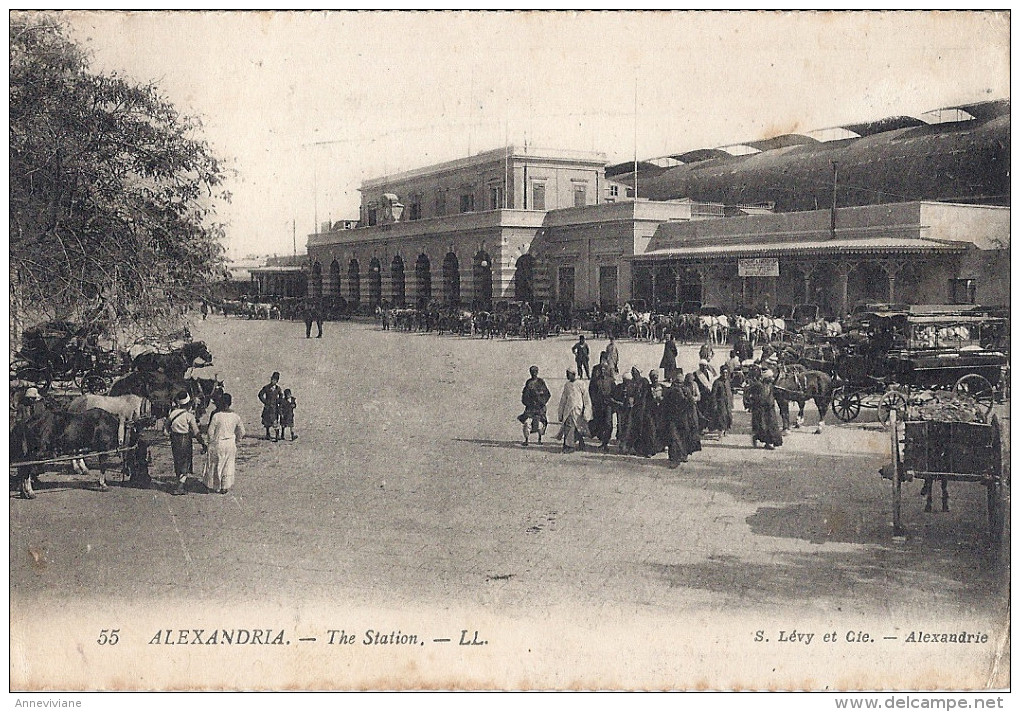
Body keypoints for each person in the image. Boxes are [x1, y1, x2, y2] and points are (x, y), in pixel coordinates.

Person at [164, 391, 206, 496]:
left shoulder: (172, 414)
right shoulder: (189, 416)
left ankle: (180, 482)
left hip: (174, 439)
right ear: (188, 403)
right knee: (185, 462)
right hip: (185, 439)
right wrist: (203, 443)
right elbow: (196, 432)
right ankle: (180, 487)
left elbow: (165, 430)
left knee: (177, 460)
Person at [203, 393, 246, 495]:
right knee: (228, 465)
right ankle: (224, 487)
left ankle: (213, 485)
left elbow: (210, 432)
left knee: (214, 464)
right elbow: (242, 432)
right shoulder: (236, 416)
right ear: (230, 403)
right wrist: (237, 440)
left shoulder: (216, 416)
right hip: (230, 443)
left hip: (218, 443)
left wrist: (210, 442)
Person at [744, 368, 784, 450]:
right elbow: (747, 391)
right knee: (763, 427)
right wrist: (750, 403)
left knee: (772, 426)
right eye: (770, 377)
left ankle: (770, 442)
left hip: (770, 409)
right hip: (761, 410)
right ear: (766, 378)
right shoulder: (758, 385)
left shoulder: (771, 386)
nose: (772, 379)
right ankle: (766, 442)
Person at [663, 379, 698, 467]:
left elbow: (691, 404)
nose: (678, 386)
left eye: (680, 383)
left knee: (683, 437)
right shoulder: (669, 392)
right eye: (676, 383)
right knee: (674, 438)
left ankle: (682, 455)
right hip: (672, 419)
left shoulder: (686, 391)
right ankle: (675, 459)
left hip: (683, 418)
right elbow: (664, 405)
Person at [557, 367, 591, 452]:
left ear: (573, 374)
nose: (567, 375)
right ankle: (569, 446)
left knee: (578, 427)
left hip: (578, 410)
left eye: (568, 374)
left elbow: (586, 398)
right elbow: (563, 399)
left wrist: (587, 412)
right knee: (569, 427)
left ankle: (578, 444)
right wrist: (560, 413)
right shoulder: (567, 385)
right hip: (568, 410)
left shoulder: (581, 384)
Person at [518, 365, 551, 446]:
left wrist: (542, 402)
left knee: (540, 423)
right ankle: (526, 439)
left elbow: (547, 394)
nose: (534, 374)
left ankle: (539, 439)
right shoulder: (528, 383)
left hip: (540, 407)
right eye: (532, 372)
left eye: (535, 372)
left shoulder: (541, 382)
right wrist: (527, 403)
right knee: (527, 423)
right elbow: (524, 395)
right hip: (530, 408)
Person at [588, 353, 616, 450]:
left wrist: (613, 402)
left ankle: (605, 442)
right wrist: (593, 402)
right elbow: (591, 389)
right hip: (598, 403)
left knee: (608, 423)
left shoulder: (611, 379)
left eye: (605, 369)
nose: (603, 370)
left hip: (608, 404)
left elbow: (614, 390)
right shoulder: (596, 379)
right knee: (600, 422)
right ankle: (601, 439)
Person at [258, 372, 284, 441]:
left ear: (277, 381)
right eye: (272, 379)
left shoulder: (278, 389)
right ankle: (267, 434)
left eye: (275, 380)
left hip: (274, 408)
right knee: (267, 421)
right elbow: (260, 394)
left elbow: (281, 396)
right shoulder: (266, 387)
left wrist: (278, 401)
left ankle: (277, 435)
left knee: (275, 420)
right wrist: (265, 402)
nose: (273, 381)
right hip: (267, 407)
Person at [609, 371, 632, 448]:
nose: (627, 382)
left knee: (628, 424)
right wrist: (618, 403)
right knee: (620, 424)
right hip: (621, 409)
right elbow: (611, 397)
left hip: (630, 410)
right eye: (626, 380)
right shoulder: (618, 387)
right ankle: (620, 439)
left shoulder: (632, 387)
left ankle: (626, 441)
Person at [695, 359, 717, 432]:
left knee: (709, 412)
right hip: (701, 396)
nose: (703, 367)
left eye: (705, 366)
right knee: (701, 412)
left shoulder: (709, 373)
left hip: (709, 396)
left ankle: (709, 427)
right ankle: (701, 428)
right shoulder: (696, 374)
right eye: (702, 366)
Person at [712, 364, 734, 437]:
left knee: (729, 417)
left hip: (728, 403)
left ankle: (726, 431)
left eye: (726, 373)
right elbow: (713, 394)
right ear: (721, 373)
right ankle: (720, 432)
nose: (725, 374)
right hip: (720, 403)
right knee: (721, 417)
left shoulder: (728, 382)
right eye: (723, 373)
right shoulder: (717, 382)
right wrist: (715, 404)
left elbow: (730, 392)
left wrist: (731, 402)